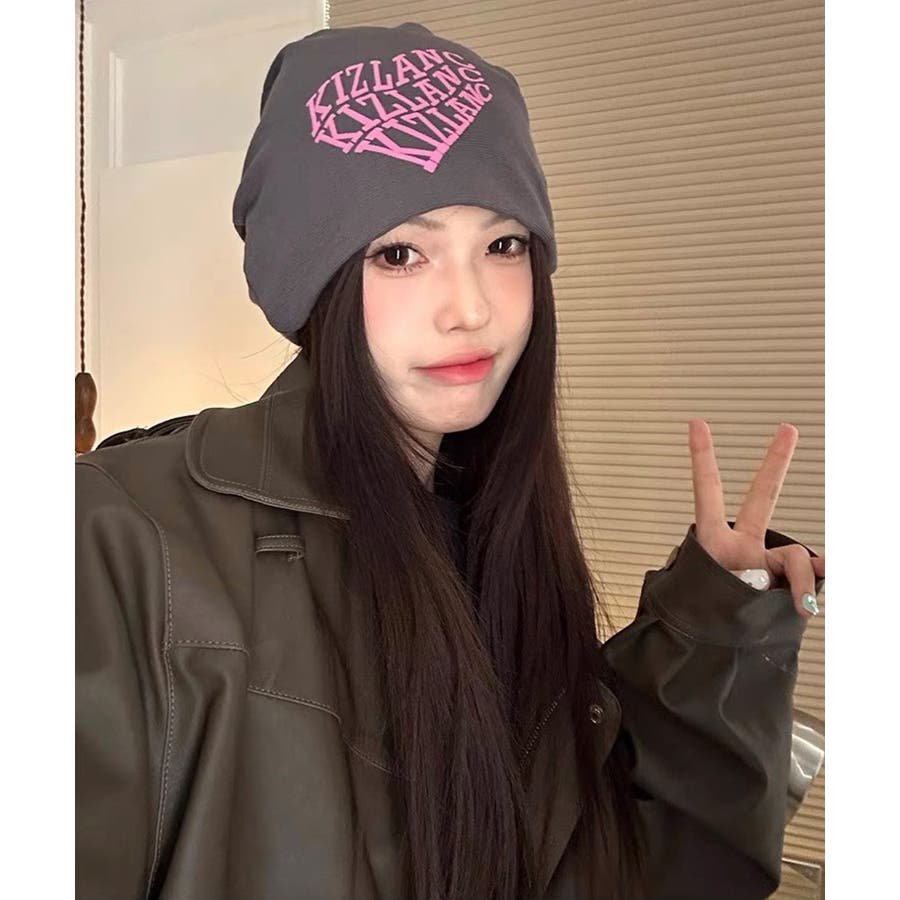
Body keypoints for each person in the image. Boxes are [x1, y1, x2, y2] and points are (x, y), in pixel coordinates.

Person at [75, 21, 825, 900]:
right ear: (312, 281)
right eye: (401, 253)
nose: (470, 309)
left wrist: (718, 626)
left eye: (504, 246)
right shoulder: (117, 538)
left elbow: (629, 872)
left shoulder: (500, 550)